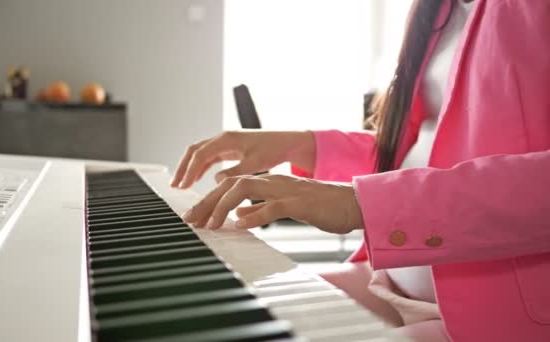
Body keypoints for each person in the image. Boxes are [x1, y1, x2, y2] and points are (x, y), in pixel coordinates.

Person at [171, 0, 550, 340]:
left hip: (498, 318)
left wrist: (362, 204)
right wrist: (301, 144)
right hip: (385, 283)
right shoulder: (435, 9)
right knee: (219, 313)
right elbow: (425, 152)